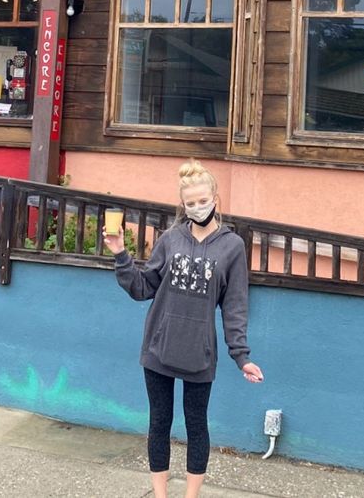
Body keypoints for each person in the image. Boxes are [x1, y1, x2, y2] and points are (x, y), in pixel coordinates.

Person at [105, 160, 263, 498]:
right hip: (158, 348)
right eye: (190, 203)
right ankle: (160, 494)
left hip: (199, 354)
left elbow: (235, 306)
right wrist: (120, 254)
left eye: (202, 201)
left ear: (215, 199)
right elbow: (143, 288)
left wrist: (241, 356)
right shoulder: (171, 239)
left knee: (196, 425)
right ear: (183, 205)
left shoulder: (232, 247)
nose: (197, 207)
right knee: (159, 422)